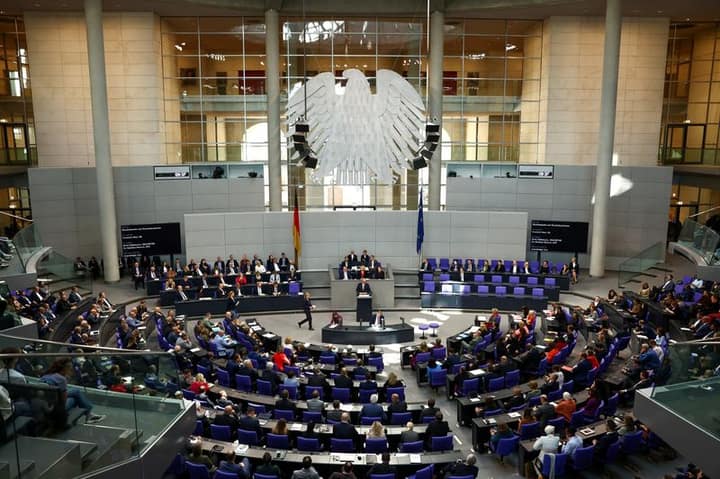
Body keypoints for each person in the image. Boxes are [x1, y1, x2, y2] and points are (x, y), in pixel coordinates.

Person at [41, 358, 105, 424]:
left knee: (75, 393)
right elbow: (63, 400)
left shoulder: (46, 376)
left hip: (44, 406)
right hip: (56, 409)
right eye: (70, 369)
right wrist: (65, 380)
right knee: (75, 397)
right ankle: (88, 414)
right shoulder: (61, 379)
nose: (71, 371)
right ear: (65, 368)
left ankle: (89, 414)